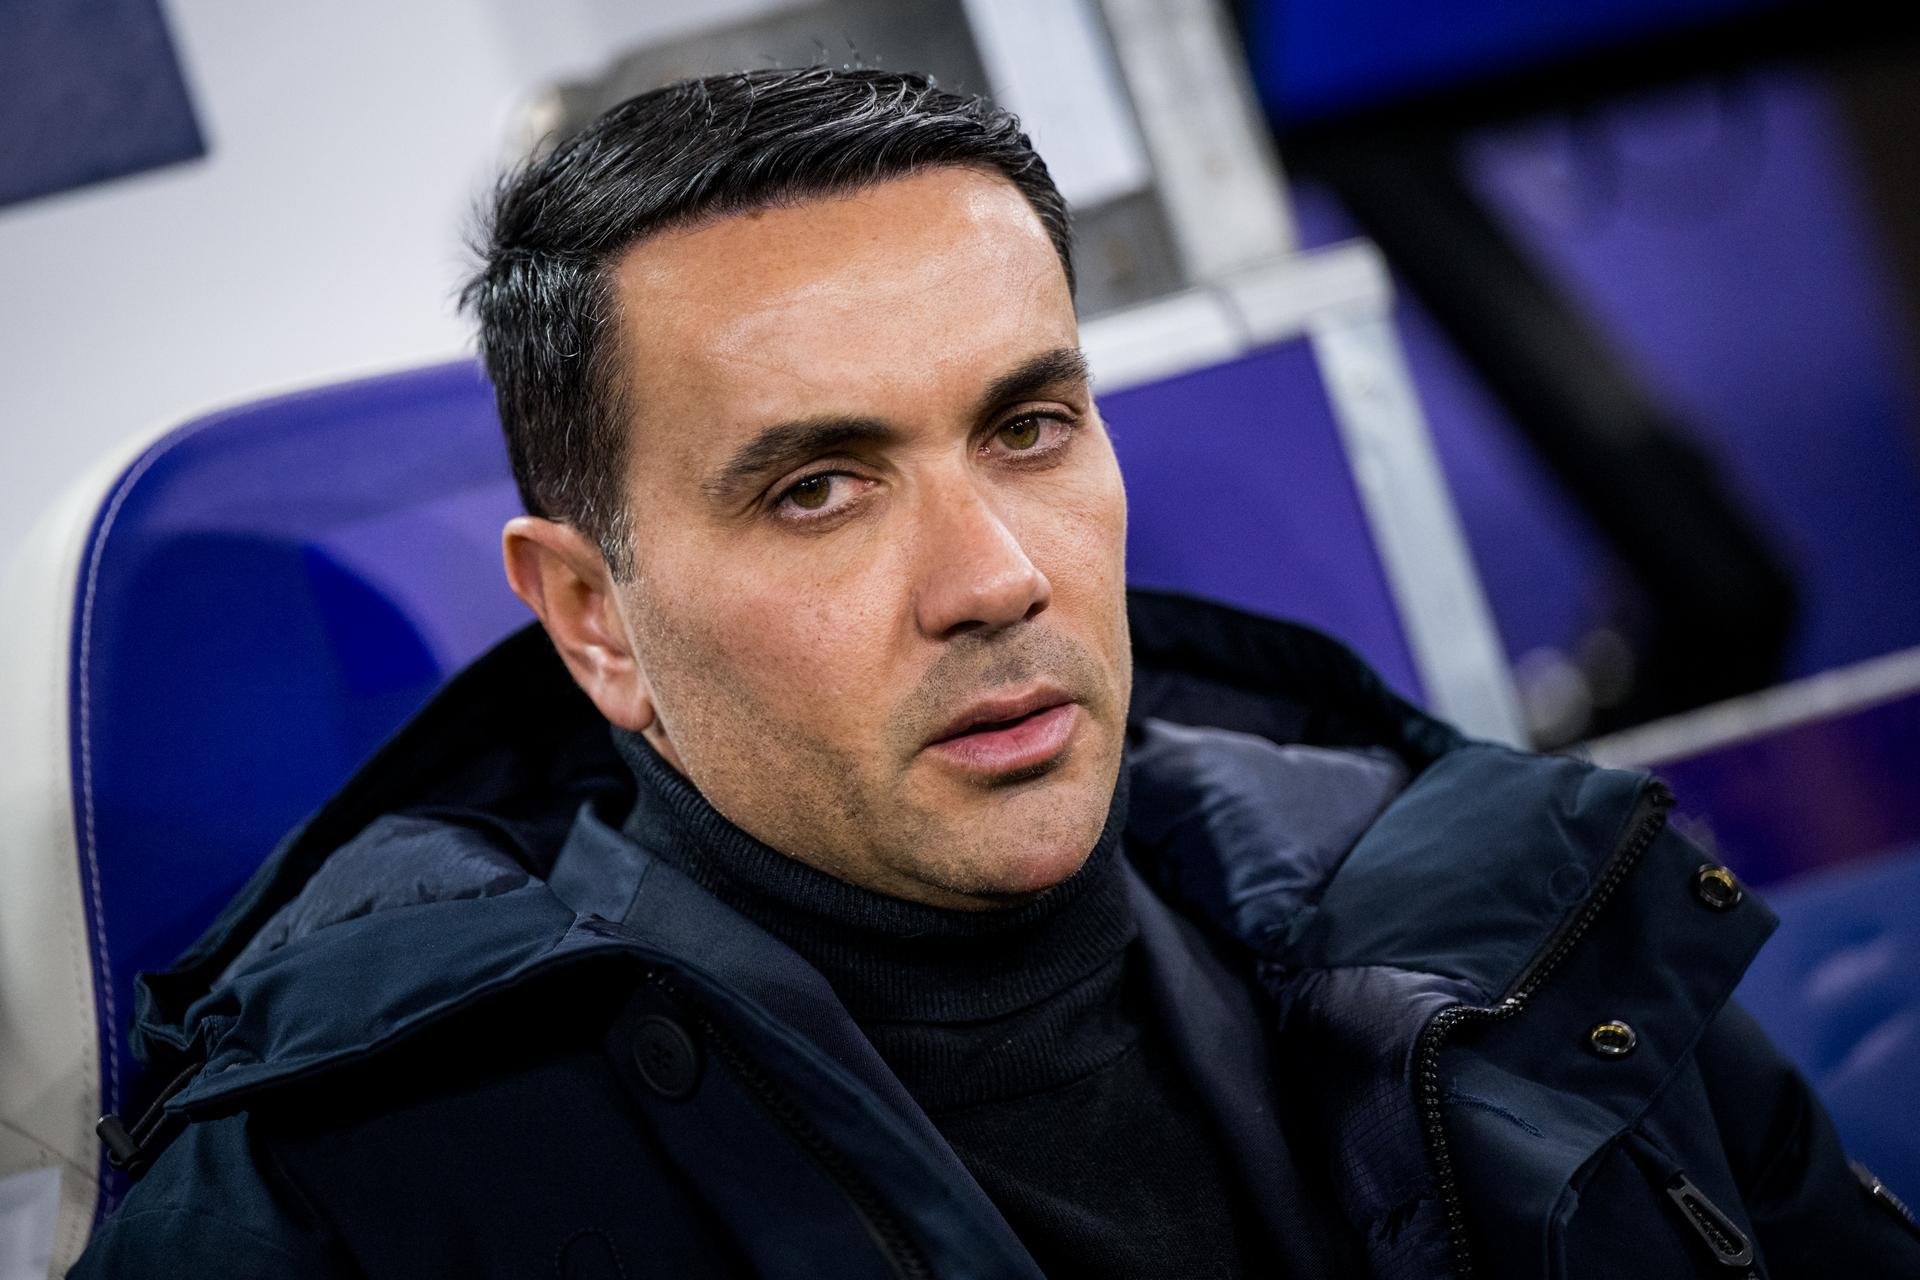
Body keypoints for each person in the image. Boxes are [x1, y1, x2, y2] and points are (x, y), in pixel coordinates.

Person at [73, 67, 1919, 1279]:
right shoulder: (359, 1197)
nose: (994, 578)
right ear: (593, 622)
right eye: (817, 488)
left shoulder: (1517, 929)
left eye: (1029, 429)